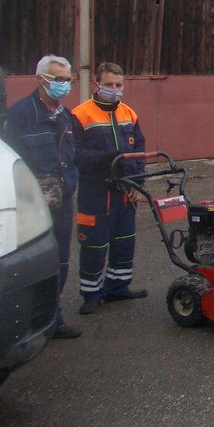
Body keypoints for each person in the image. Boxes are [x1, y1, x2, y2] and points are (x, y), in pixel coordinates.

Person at [2, 55, 81, 338]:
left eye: (67, 80)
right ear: (40, 79)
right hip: (32, 207)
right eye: (57, 79)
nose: (64, 85)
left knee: (59, 259)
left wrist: (71, 181)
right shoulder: (20, 115)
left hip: (61, 202)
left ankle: (53, 318)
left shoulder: (65, 115)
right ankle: (24, 323)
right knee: (31, 262)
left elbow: (74, 155)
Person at [71, 62, 147, 315]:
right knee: (94, 243)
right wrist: (105, 157)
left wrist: (138, 182)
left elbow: (139, 152)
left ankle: (118, 286)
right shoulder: (81, 114)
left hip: (125, 191)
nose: (115, 89)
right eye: (109, 85)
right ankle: (91, 293)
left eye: (119, 85)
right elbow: (76, 154)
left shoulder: (129, 113)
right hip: (96, 191)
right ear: (97, 84)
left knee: (124, 240)